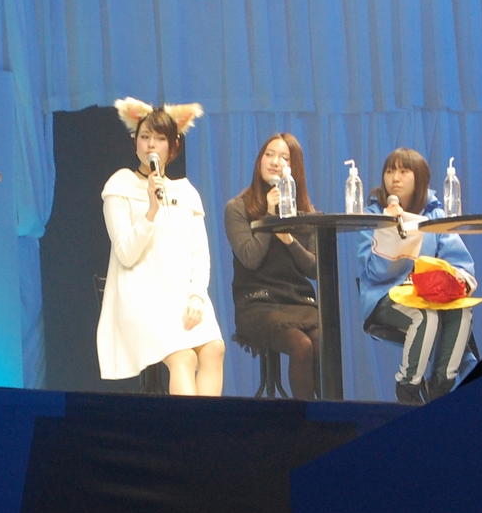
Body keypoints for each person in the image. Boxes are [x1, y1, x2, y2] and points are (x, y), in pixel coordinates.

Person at [97, 97, 225, 396]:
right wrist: (151, 210)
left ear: (173, 145)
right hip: (140, 296)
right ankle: (188, 426)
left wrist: (197, 296)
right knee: (184, 356)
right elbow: (126, 253)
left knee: (213, 349)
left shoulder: (187, 192)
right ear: (135, 143)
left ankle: (208, 425)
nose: (151, 145)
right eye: (144, 137)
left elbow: (199, 254)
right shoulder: (120, 186)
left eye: (160, 138)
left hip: (182, 296)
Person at [357, 148, 478, 405]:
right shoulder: (375, 215)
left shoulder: (434, 214)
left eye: (404, 171)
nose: (395, 178)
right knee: (424, 316)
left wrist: (458, 282)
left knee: (462, 312)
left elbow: (459, 262)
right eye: (390, 171)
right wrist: (390, 232)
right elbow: (376, 272)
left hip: (429, 294)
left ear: (419, 178)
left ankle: (441, 386)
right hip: (385, 295)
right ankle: (407, 387)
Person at [225, 133, 319, 398]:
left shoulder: (306, 214)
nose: (275, 162)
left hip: (298, 300)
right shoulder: (238, 208)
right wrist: (269, 215)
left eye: (284, 158)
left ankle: (327, 413)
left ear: (294, 167)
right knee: (301, 345)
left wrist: (290, 241)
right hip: (258, 301)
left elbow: (314, 269)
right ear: (259, 160)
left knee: (323, 342)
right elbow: (250, 258)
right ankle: (304, 417)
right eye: (269, 155)